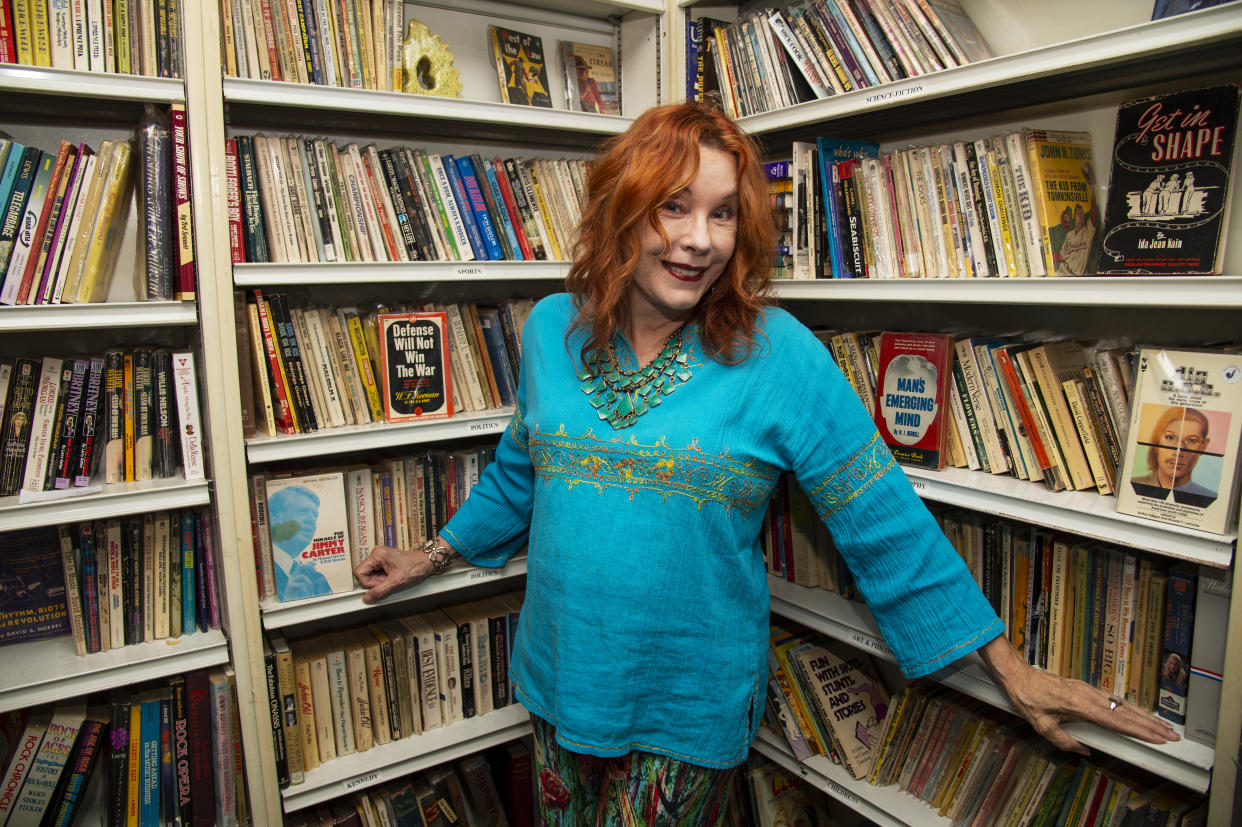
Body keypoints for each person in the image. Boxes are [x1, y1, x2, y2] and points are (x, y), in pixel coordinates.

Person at [355, 103, 1176, 823]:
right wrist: (427, 558)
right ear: (621, 211)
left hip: (688, 703)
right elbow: (518, 473)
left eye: (721, 215)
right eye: (672, 207)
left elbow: (878, 516)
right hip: (558, 676)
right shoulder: (549, 329)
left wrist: (1011, 667)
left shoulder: (776, 352)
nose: (696, 240)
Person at [1130, 405, 1217, 507]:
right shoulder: (1130, 486)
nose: (1179, 452)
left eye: (1192, 440)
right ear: (1157, 440)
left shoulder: (1211, 500)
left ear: (1203, 446)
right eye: (1170, 437)